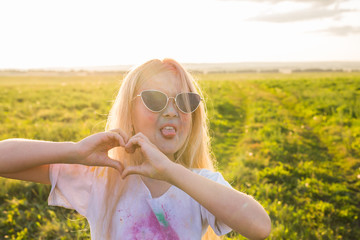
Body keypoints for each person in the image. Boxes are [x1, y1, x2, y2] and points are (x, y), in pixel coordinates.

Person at [0, 59, 271, 240]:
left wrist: (171, 172)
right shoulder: (103, 179)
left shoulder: (199, 185)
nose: (171, 111)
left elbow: (260, 227)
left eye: (184, 101)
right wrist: (75, 151)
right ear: (129, 112)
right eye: (155, 99)